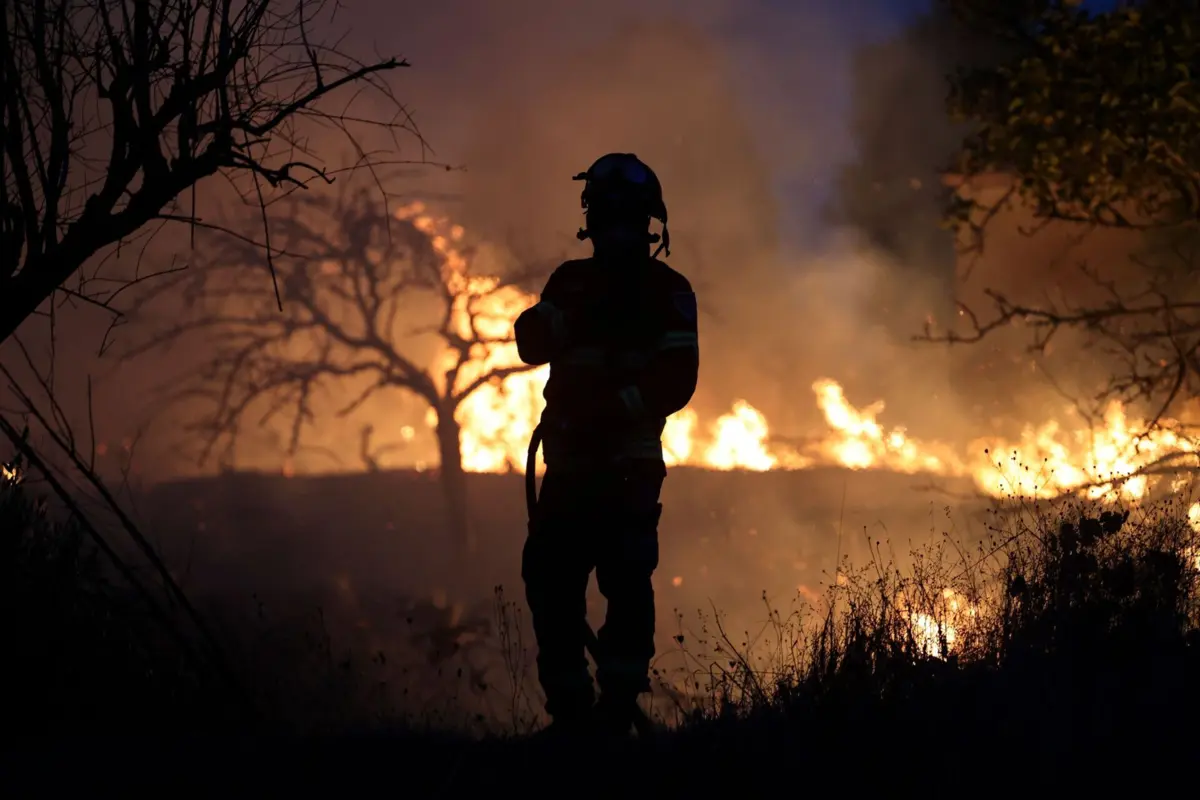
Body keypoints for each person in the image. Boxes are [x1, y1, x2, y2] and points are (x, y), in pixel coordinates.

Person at [514, 153, 700, 737]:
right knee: (551, 584)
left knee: (625, 584)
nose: (614, 225)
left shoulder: (669, 292)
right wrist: (576, 310)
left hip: (627, 469)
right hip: (570, 466)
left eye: (624, 214)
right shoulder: (572, 283)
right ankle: (571, 715)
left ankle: (615, 712)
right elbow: (530, 343)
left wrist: (609, 413)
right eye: (606, 212)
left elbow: (677, 380)